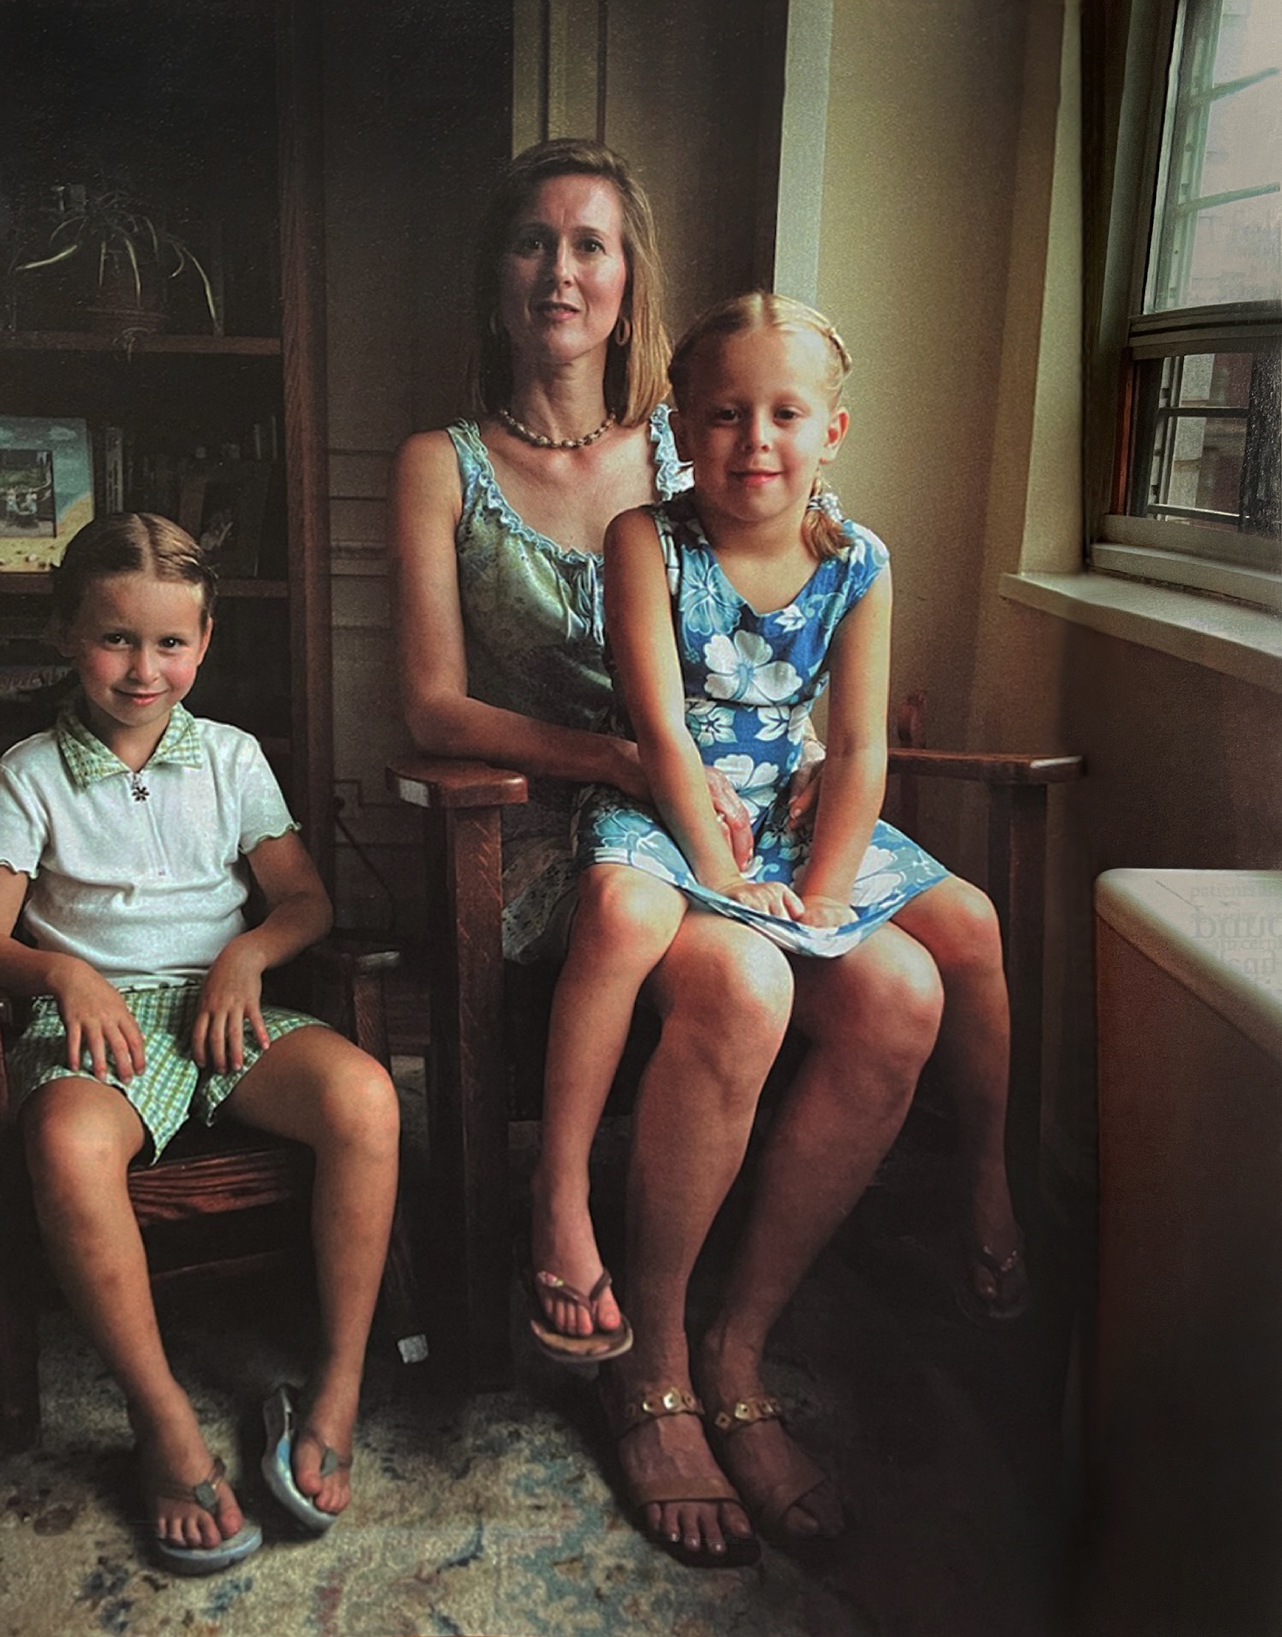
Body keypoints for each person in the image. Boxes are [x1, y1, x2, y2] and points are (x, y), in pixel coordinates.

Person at [392, 137, 975, 1567]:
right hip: (540, 834)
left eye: (592, 243)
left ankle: (738, 1342)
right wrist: (621, 764)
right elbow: (425, 703)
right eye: (534, 241)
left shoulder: (699, 439)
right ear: (498, 271)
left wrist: (830, 754)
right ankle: (647, 1371)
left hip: (735, 827)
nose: (562, 270)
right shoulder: (440, 463)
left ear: (629, 275)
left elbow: (815, 603)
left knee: (904, 993)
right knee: (743, 987)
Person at [537, 288, 1027, 1375]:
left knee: (970, 929)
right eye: (721, 414)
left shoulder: (857, 560)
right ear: (678, 427)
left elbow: (853, 748)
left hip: (790, 805)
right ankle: (559, 1186)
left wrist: (826, 890)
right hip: (679, 801)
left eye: (784, 414)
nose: (754, 440)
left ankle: (987, 1168)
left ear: (830, 430)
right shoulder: (644, 541)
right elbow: (658, 726)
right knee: (620, 908)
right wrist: (722, 875)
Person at [0, 514, 399, 1574]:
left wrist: (247, 954)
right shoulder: (32, 772)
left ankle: (334, 1384)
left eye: (169, 643)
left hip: (226, 1005)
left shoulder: (230, 758)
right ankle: (162, 1419)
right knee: (62, 1140)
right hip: (99, 1020)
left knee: (367, 1098)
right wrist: (61, 970)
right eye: (114, 639)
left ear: (202, 644)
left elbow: (304, 902)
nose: (143, 668)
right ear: (66, 635)